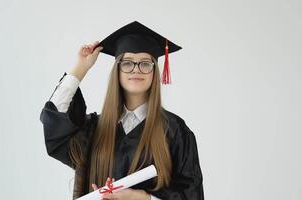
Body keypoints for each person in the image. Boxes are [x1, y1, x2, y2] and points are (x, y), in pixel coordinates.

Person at [40, 21, 204, 200]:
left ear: (154, 71)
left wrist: (143, 198)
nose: (136, 69)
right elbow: (55, 127)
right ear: (117, 70)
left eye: (145, 63)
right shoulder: (94, 129)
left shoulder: (175, 130)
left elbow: (192, 195)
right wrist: (81, 68)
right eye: (127, 63)